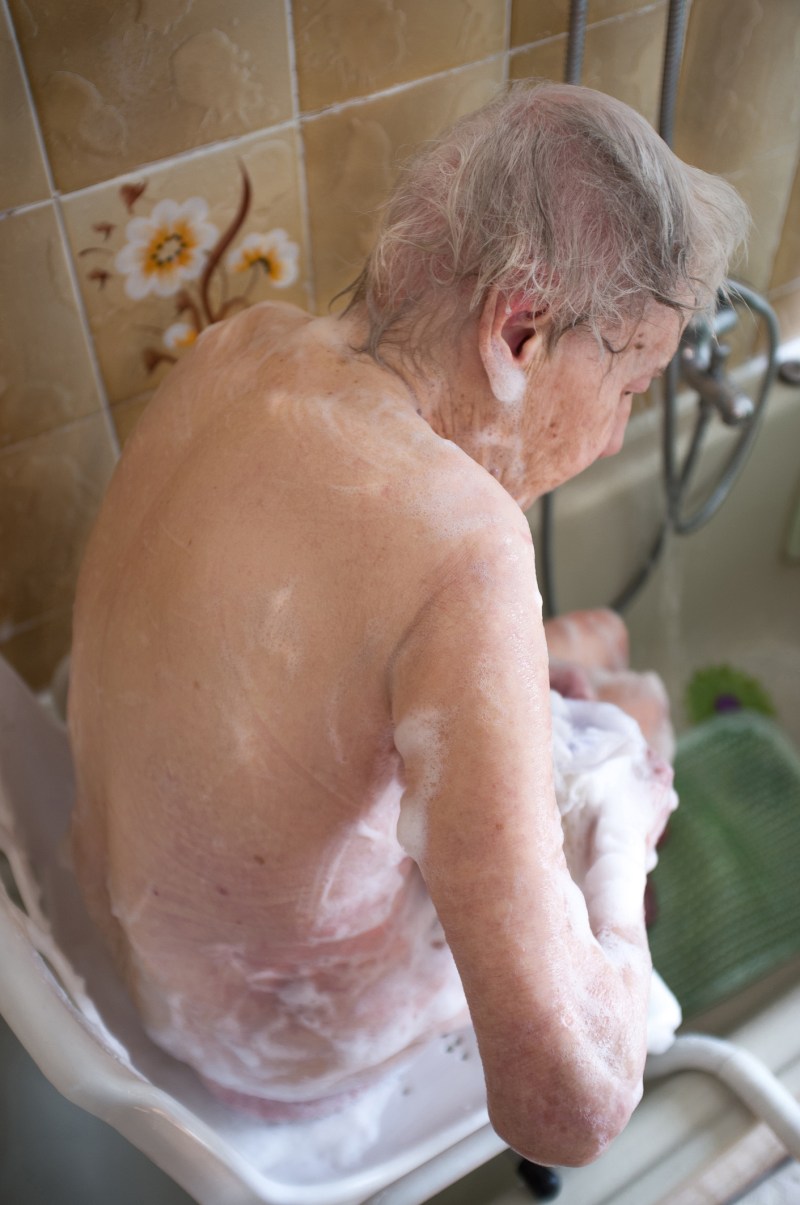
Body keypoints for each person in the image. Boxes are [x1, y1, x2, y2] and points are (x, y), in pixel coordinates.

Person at [67, 82, 748, 1165]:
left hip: (126, 955)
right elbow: (565, 1105)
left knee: (597, 656)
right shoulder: (462, 552)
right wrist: (617, 846)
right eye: (630, 383)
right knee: (630, 729)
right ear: (518, 328)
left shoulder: (241, 345)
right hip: (281, 1054)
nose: (620, 439)